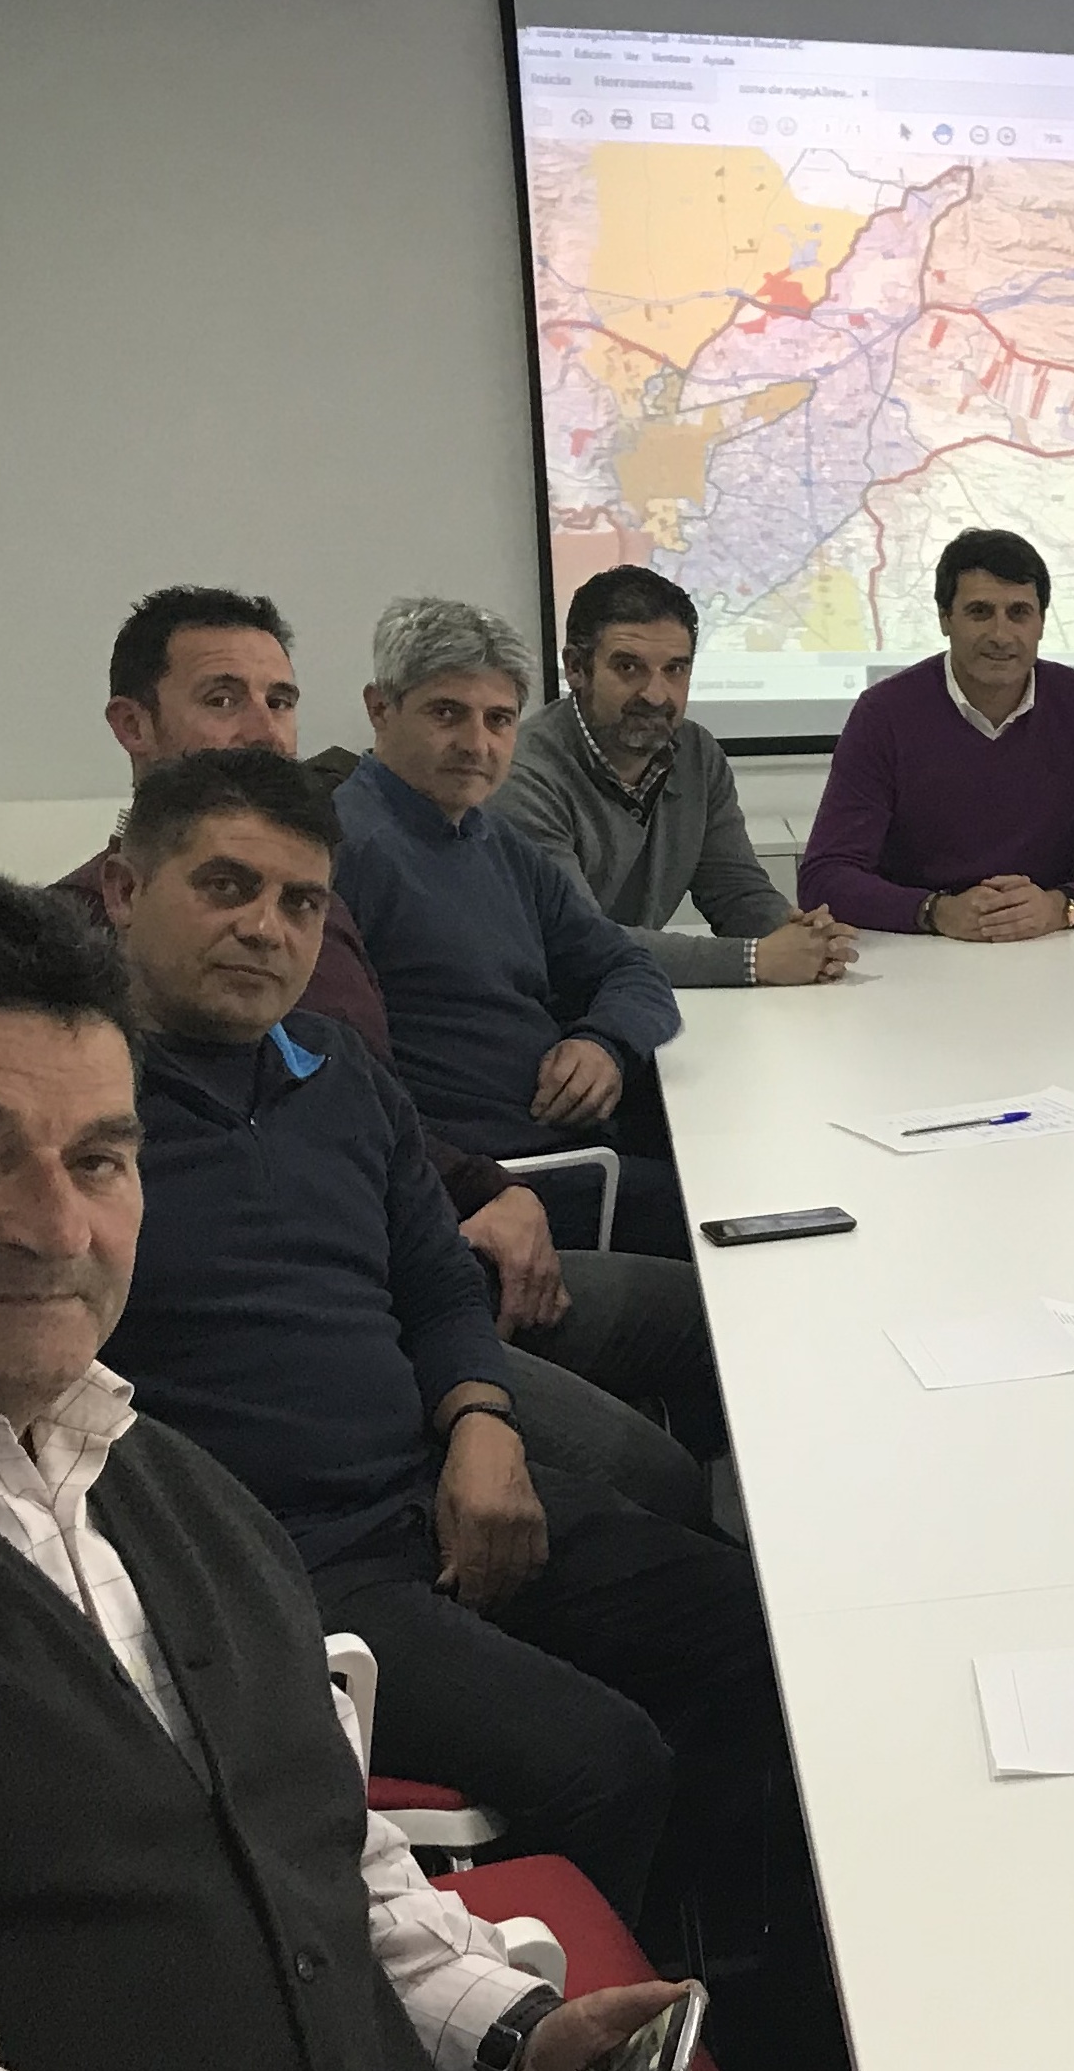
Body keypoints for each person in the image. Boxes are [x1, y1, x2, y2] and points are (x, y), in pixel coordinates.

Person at [0, 868, 918, 2071]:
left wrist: (510, 2041)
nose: (57, 1224)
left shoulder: (154, 1482)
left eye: (101, 1157)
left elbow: (331, 1856)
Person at [97, 752, 806, 2001]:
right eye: (225, 886)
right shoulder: (80, 1125)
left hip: (431, 1484)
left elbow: (435, 1280)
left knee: (753, 1631)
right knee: (606, 1760)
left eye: (301, 901)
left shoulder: (333, 1068)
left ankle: (731, 1967)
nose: (267, 927)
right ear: (122, 889)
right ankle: (560, 2035)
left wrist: (481, 1422)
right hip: (283, 1569)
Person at [53, 584, 723, 1525]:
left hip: (428, 1244)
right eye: (223, 699)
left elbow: (372, 1124)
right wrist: (483, 1202)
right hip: (364, 1312)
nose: (263, 730)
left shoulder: (365, 870)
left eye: (281, 700)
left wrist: (577, 1071)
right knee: (658, 1442)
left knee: (713, 1312)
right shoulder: (71, 964)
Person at [332, 597, 692, 1260]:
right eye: (447, 713)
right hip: (501, 1187)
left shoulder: (494, 839)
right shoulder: (345, 851)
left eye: (499, 720)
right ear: (380, 709)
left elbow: (630, 966)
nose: (477, 744)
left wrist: (605, 1043)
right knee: (747, 1219)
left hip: (573, 1150)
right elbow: (342, 1087)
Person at [798, 525, 1074, 939]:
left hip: (1044, 945)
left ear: (1041, 622)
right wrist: (935, 911)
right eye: (979, 612)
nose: (1000, 635)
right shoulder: (884, 713)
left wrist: (1060, 907)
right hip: (917, 951)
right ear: (945, 618)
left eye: (1019, 613)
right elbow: (824, 877)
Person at [495, 564, 856, 987]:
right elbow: (577, 941)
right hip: (537, 1005)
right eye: (628, 668)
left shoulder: (696, 752)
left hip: (629, 998)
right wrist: (754, 960)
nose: (656, 694)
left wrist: (803, 937)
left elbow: (734, 890)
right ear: (576, 668)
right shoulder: (522, 775)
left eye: (675, 670)